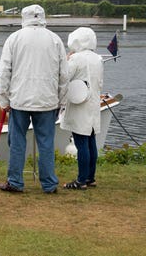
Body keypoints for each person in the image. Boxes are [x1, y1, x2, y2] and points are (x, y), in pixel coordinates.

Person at [0, 4, 68, 194]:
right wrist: (61, 100)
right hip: (47, 99)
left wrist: (4, 100)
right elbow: (64, 75)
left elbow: (4, 72)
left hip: (19, 99)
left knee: (17, 141)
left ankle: (15, 181)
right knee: (46, 143)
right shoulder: (55, 40)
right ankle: (49, 184)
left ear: (24, 17)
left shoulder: (14, 38)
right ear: (43, 17)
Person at [60, 27, 104, 190]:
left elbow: (64, 76)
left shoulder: (76, 59)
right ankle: (90, 177)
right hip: (92, 103)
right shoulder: (97, 58)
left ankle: (81, 180)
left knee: (81, 142)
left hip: (79, 104)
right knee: (91, 140)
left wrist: (66, 59)